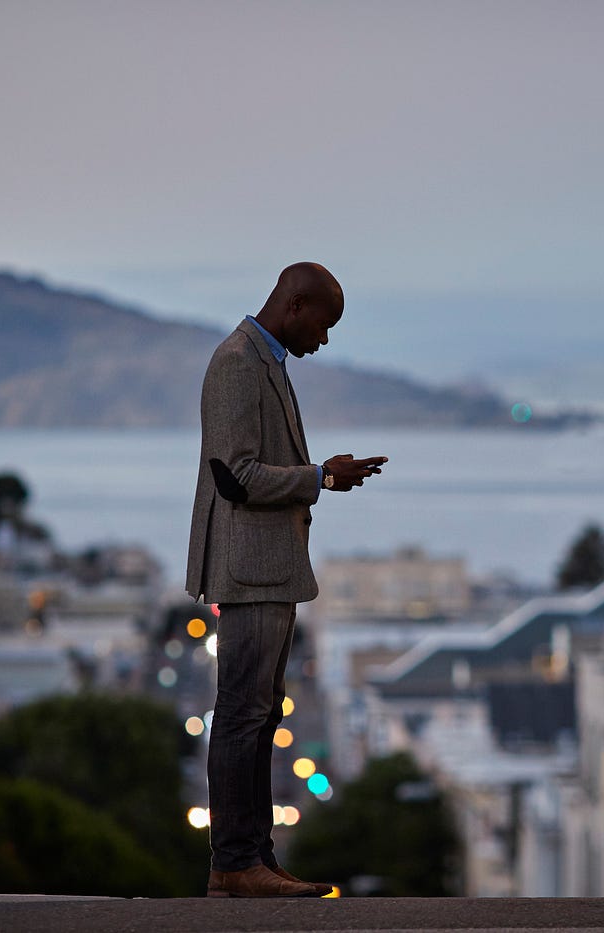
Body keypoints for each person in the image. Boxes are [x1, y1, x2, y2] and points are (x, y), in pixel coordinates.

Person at [186, 262, 388, 898]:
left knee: (260, 714)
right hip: (250, 572)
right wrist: (322, 476)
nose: (324, 341)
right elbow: (236, 476)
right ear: (295, 305)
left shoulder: (267, 361)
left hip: (270, 569)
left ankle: (255, 861)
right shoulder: (238, 363)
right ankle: (235, 864)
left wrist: (320, 475)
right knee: (243, 716)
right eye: (323, 326)